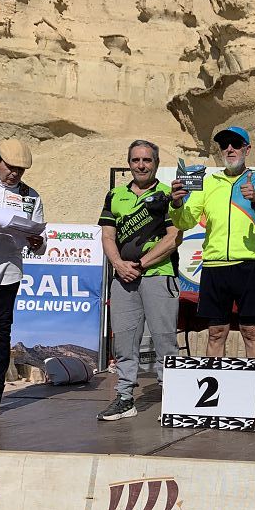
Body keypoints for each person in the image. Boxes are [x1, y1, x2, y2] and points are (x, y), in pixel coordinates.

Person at [170, 126, 255, 358]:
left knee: (251, 331)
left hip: (248, 266)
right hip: (215, 267)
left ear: (247, 149)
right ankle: (216, 385)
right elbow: (185, 222)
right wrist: (176, 205)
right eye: (224, 144)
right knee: (216, 332)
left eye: (236, 143)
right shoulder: (208, 183)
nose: (229, 148)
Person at [97, 140, 182, 422]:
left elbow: (174, 237)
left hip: (158, 275)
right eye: (136, 160)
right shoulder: (115, 195)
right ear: (129, 163)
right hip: (123, 278)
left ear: (156, 163)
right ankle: (124, 398)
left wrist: (142, 264)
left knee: (164, 341)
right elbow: (108, 236)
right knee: (124, 342)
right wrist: (118, 265)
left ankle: (173, 398)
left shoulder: (169, 194)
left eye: (147, 160)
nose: (141, 165)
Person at [0, 139, 46, 416]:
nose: (15, 174)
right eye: (11, 167)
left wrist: (36, 242)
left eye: (21, 170)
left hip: (8, 272)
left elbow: (41, 240)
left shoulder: (31, 196)